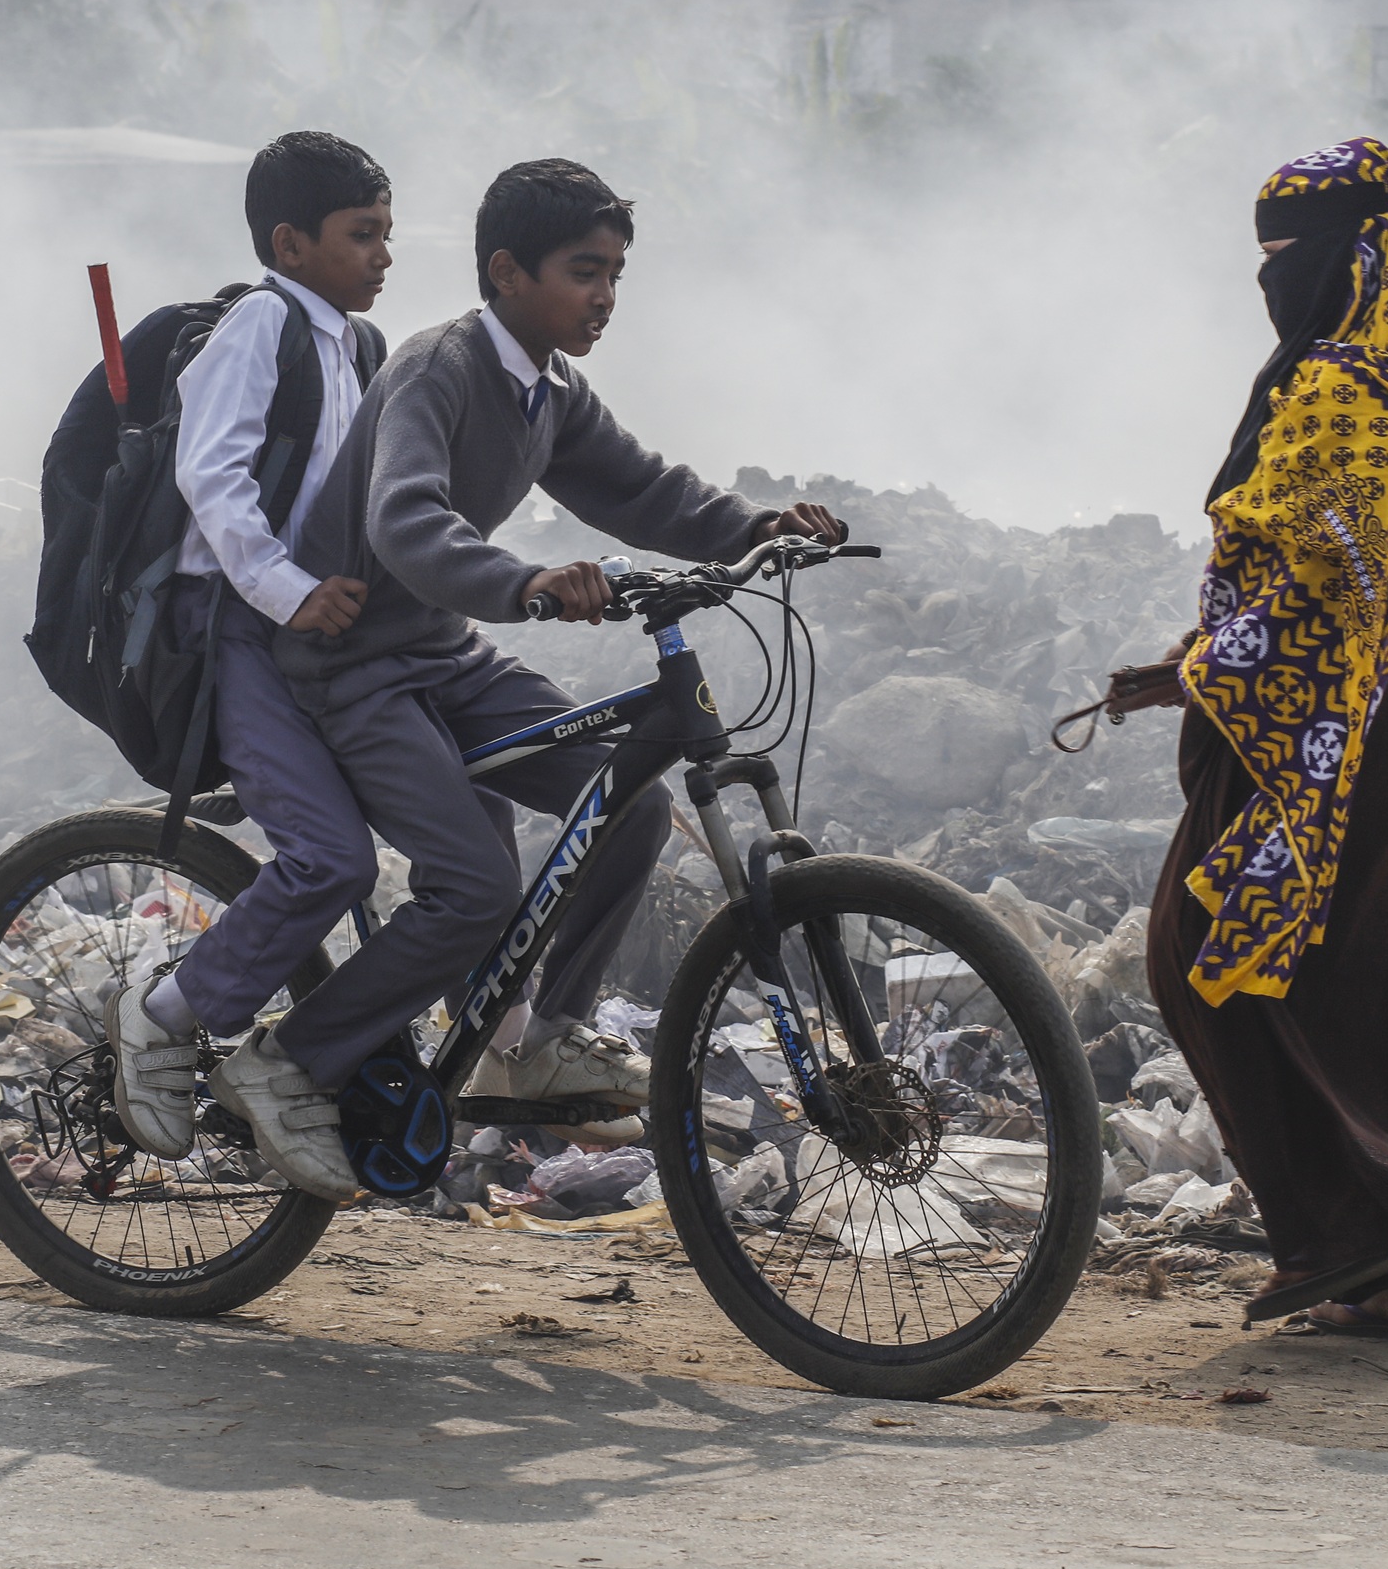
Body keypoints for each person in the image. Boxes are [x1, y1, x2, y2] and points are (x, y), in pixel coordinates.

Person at [221, 157, 840, 1195]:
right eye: (583, 270)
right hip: (354, 668)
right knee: (474, 887)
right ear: (507, 273)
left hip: (439, 656)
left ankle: (540, 1040)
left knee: (630, 803)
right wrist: (528, 583)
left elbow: (637, 487)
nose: (602, 295)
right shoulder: (439, 368)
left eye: (614, 275)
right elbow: (404, 520)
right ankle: (284, 1061)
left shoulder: (548, 387)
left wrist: (754, 527)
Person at [1108, 136, 1388, 1346]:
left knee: (1206, 954)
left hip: (1328, 738)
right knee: (1378, 992)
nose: (1269, 277)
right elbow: (1338, 569)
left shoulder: (1328, 386)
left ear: (1353, 254)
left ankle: (1350, 1229)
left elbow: (1315, 601)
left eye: (1286, 255)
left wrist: (1191, 674)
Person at [105, 130, 396, 1201]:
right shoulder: (260, 326)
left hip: (328, 633)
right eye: (361, 235)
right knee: (329, 861)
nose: (382, 257)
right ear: (291, 241)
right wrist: (286, 590)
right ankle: (169, 1013)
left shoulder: (358, 347)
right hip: (239, 630)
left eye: (386, 235)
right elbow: (212, 481)